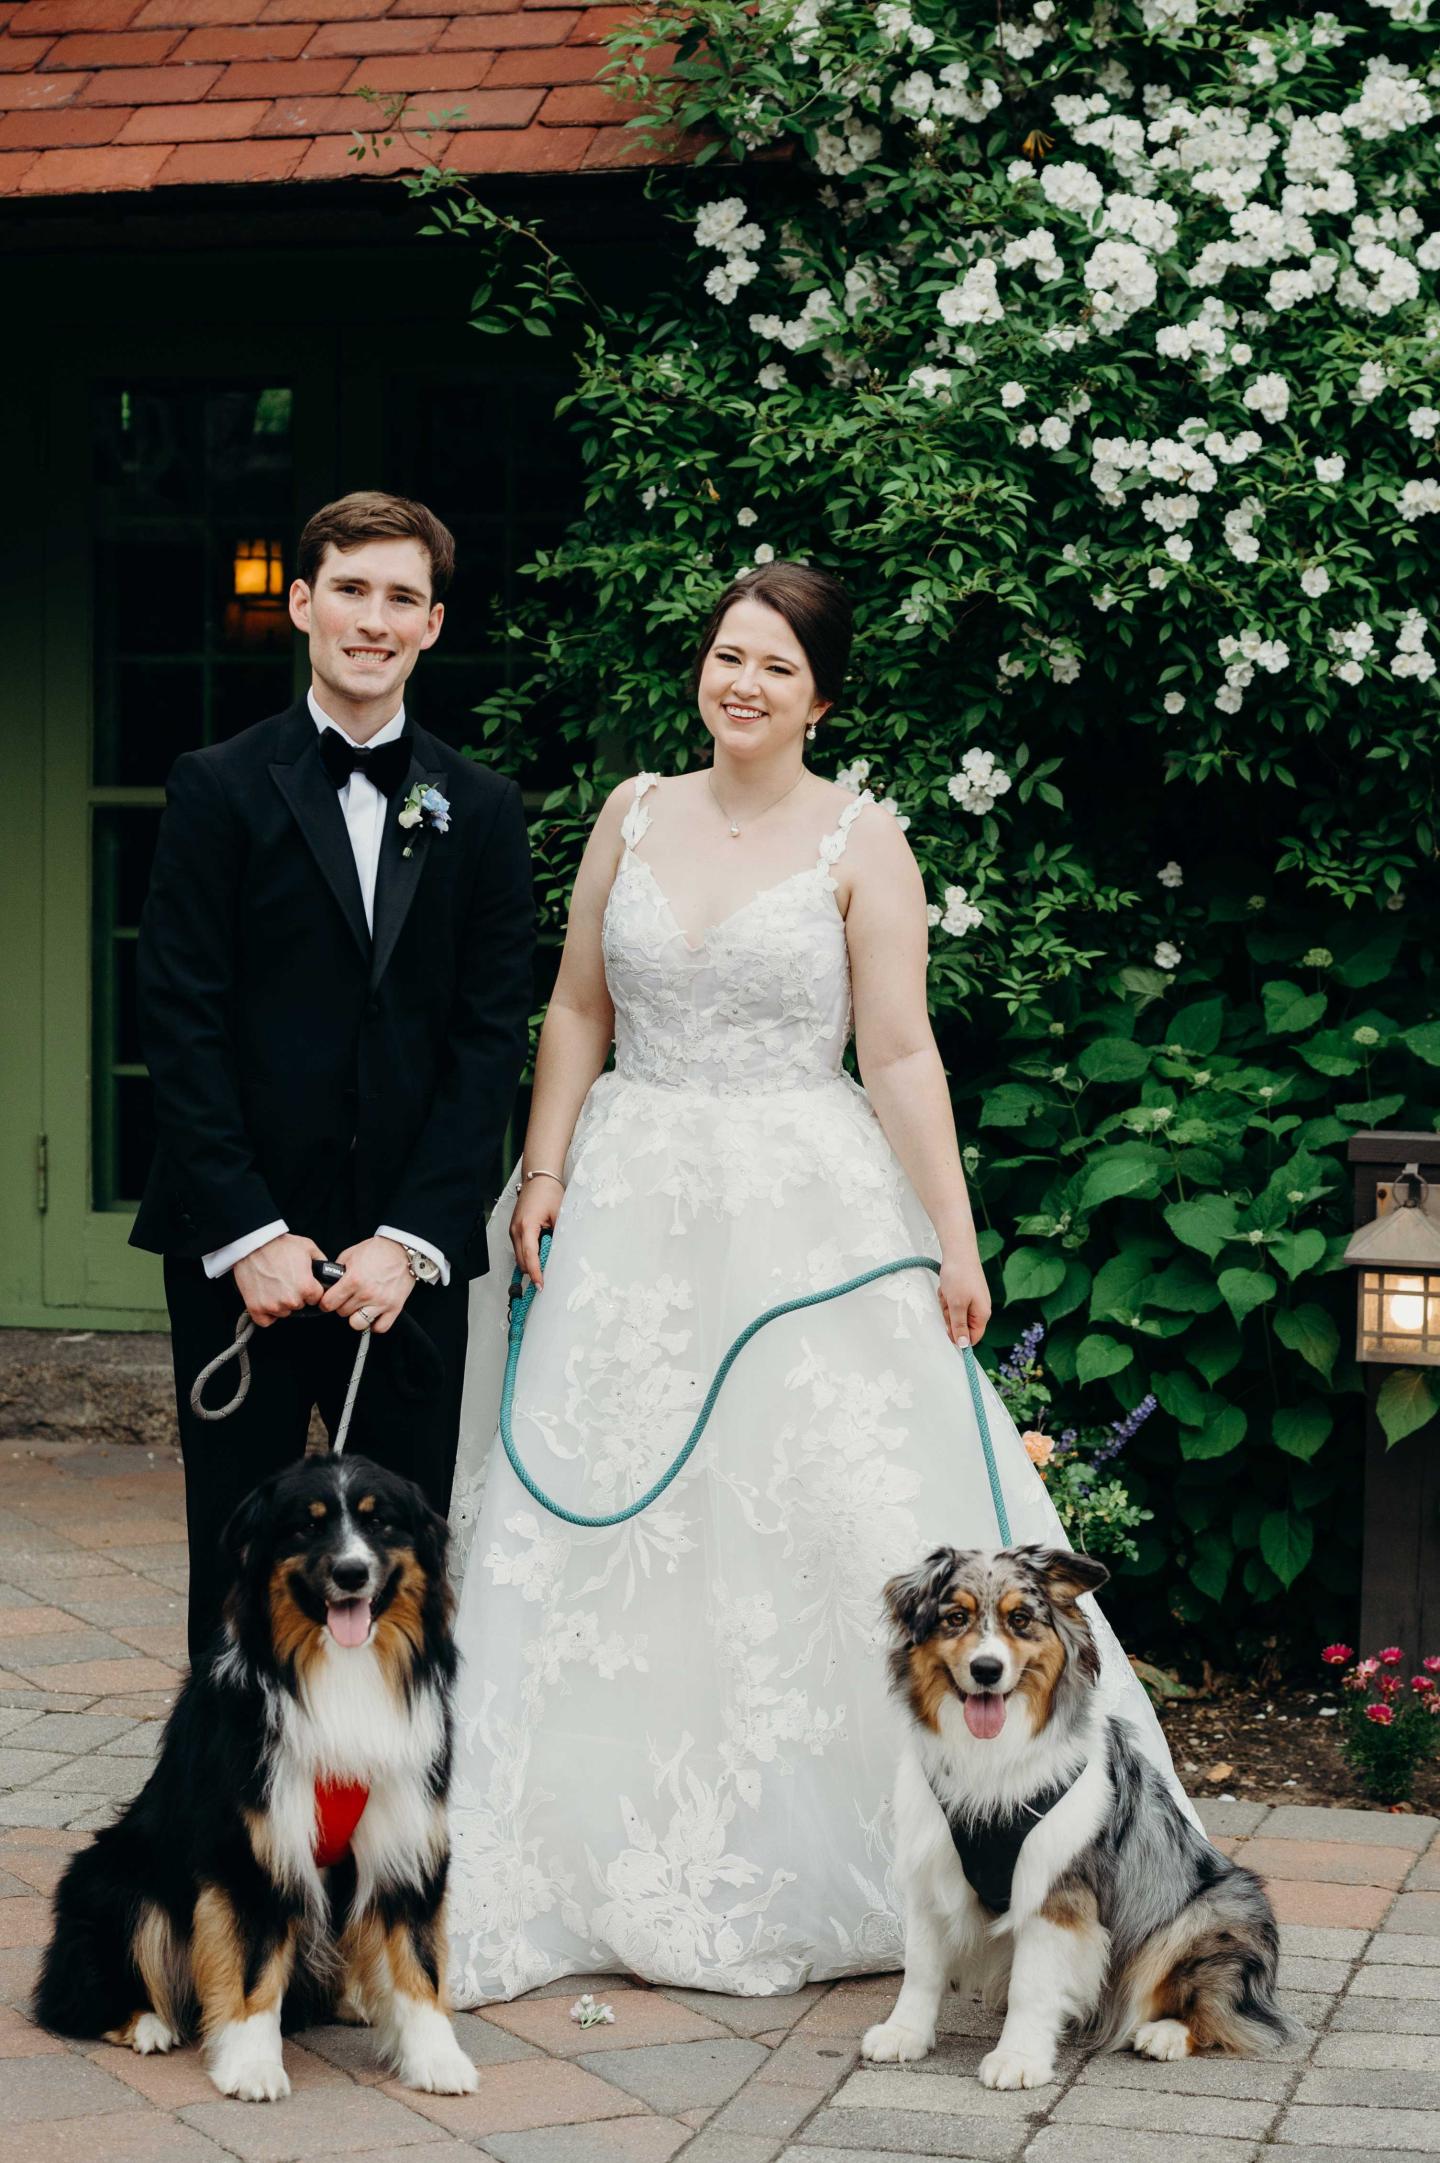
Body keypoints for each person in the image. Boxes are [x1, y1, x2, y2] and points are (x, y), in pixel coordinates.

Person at [443, 560, 1190, 2006]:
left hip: (806, 1203)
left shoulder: (865, 838)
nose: (744, 682)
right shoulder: (632, 812)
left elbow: (901, 1053)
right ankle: (586, 1848)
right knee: (621, 1522)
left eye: (777, 666)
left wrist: (955, 1239)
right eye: (728, 654)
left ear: (820, 695)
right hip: (634, 1198)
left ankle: (951, 1853)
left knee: (819, 1508)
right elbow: (579, 1005)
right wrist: (543, 1174)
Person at [132, 491, 535, 1662]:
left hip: (400, 1263)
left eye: (401, 597)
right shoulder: (216, 786)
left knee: (402, 1564)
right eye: (351, 590)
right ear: (302, 603)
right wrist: (248, 1231)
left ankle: (385, 1808)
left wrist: (412, 1239)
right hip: (240, 1250)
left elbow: (484, 1039)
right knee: (239, 1553)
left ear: (433, 625)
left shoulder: (485, 809)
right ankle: (229, 1797)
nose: (374, 618)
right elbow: (181, 1018)